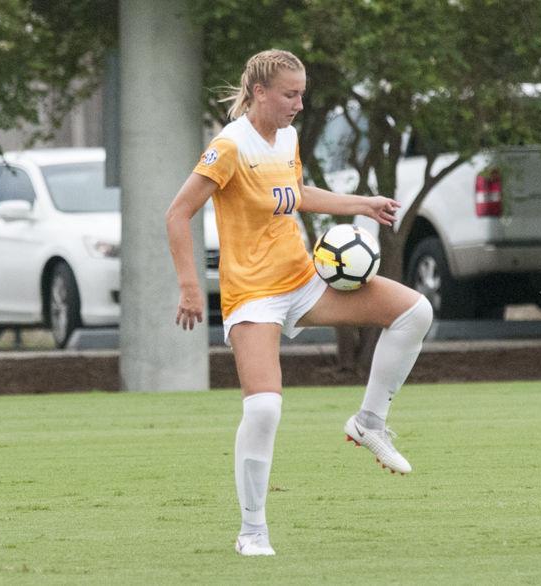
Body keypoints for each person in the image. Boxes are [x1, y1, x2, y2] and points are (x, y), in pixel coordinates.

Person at [166, 49, 433, 557]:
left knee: (414, 311)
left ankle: (369, 423)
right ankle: (252, 533)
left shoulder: (285, 137)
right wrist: (189, 287)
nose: (298, 105)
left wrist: (362, 204)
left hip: (303, 280)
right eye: (290, 95)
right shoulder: (228, 146)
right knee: (264, 408)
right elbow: (177, 214)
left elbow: (294, 193)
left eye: (302, 94)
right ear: (260, 93)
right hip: (253, 296)